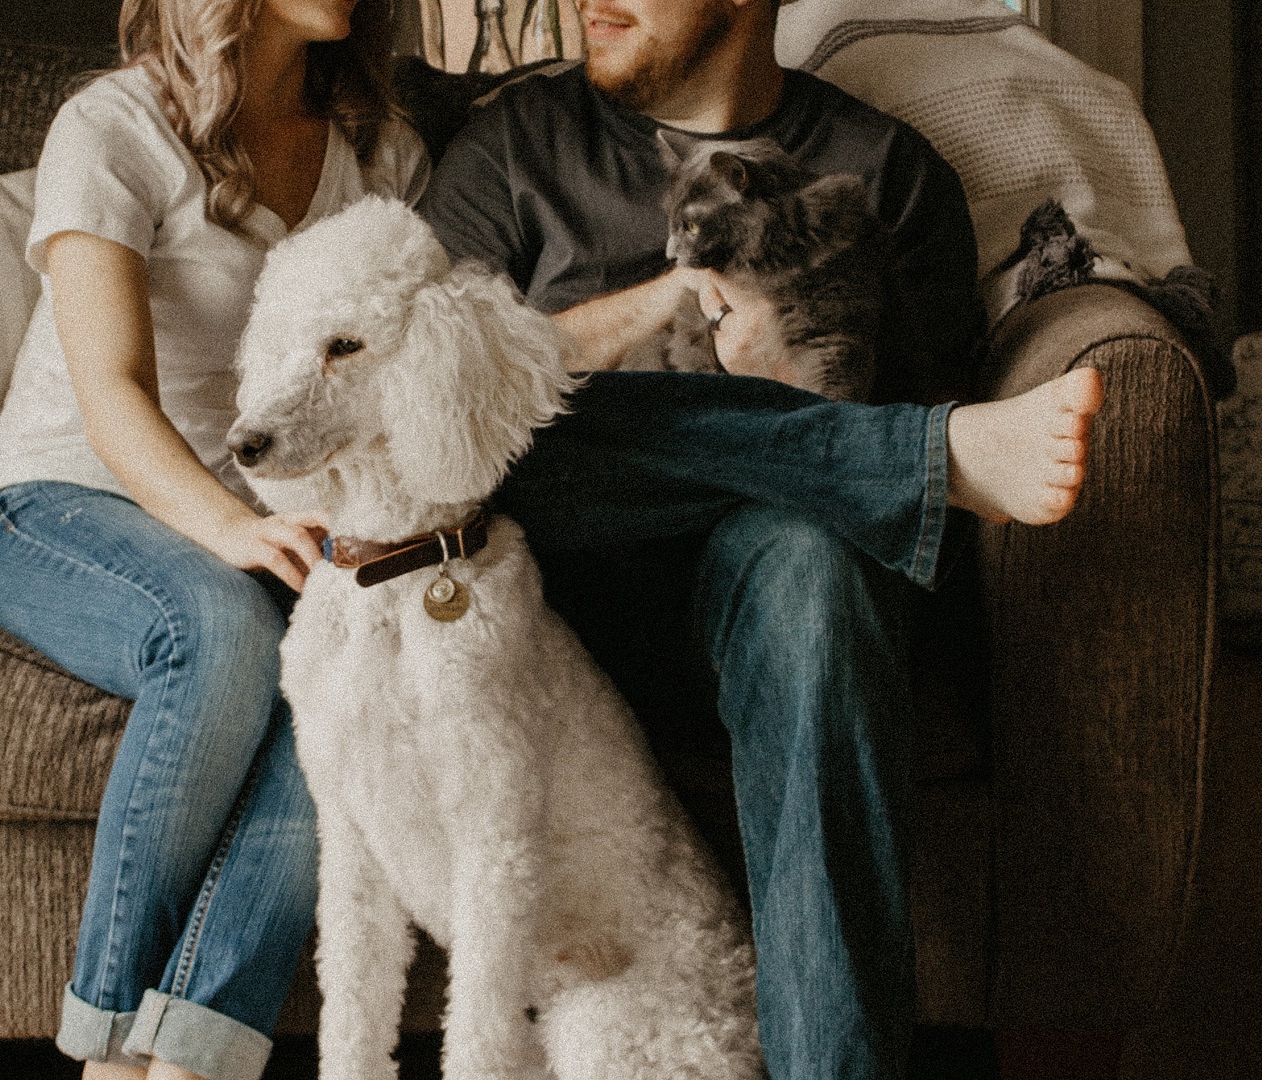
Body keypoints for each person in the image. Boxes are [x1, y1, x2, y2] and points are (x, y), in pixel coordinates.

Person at [417, 0, 1105, 1077]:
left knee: (821, 569)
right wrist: (662, 305)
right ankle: (929, 462)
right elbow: (426, 400)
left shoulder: (884, 172)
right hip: (558, 599)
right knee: (492, 428)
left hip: (767, 595)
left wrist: (789, 387)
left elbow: (913, 439)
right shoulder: (518, 149)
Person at [0, 0, 427, 1074]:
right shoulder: (113, 127)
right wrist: (231, 529)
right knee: (222, 631)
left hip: (273, 517)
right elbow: (112, 395)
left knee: (351, 685)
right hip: (61, 501)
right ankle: (109, 1049)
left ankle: (193, 1058)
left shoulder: (382, 153)